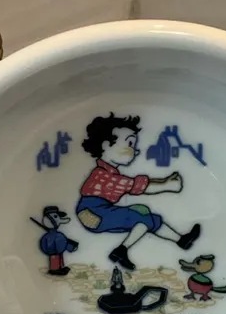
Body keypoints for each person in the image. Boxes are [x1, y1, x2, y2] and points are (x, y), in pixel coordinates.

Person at [76, 112, 200, 270]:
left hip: (101, 211)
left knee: (148, 215)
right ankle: (121, 250)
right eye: (130, 143)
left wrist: (165, 181)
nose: (135, 151)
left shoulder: (108, 172)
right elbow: (138, 187)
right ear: (106, 145)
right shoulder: (104, 175)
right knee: (142, 218)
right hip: (93, 213)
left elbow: (136, 184)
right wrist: (168, 186)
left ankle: (182, 240)